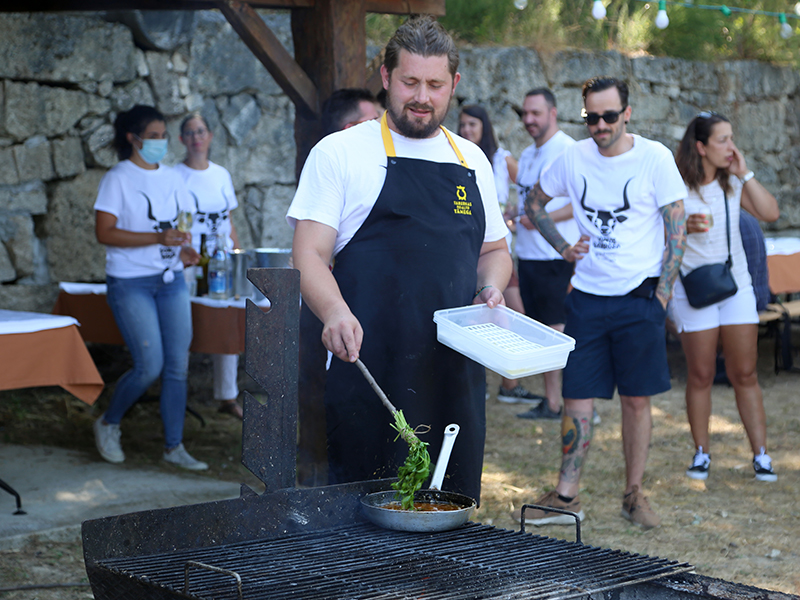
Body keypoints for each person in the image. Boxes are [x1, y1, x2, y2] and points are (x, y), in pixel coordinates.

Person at [287, 16, 511, 502]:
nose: (422, 97)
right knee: (362, 514)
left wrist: (490, 287)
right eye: (410, 82)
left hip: (455, 371)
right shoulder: (341, 153)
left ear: (453, 84)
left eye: (434, 84)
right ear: (386, 78)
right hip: (369, 366)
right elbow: (308, 252)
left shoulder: (472, 160)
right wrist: (334, 311)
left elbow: (494, 250)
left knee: (449, 511)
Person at [519, 77, 687, 529]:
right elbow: (533, 205)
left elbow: (677, 231)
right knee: (577, 398)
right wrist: (562, 246)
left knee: (636, 401)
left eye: (609, 116)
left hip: (639, 298)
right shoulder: (572, 157)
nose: (599, 125)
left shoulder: (654, 158)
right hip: (587, 299)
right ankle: (566, 495)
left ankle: (633, 495)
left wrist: (662, 295)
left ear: (627, 113)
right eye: (590, 117)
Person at [92, 105, 208, 471]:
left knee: (177, 366)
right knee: (149, 366)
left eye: (162, 135)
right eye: (155, 136)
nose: (161, 142)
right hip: (130, 283)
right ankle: (108, 422)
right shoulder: (117, 178)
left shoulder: (172, 177)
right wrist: (158, 236)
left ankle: (174, 447)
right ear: (134, 138)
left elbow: (180, 227)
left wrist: (186, 249)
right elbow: (104, 232)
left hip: (171, 281)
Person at [672, 111, 779, 482]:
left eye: (732, 138)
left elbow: (770, 212)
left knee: (744, 373)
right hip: (692, 289)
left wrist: (745, 173)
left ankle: (761, 455)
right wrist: (682, 226)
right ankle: (701, 453)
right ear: (701, 147)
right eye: (723, 140)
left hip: (736, 289)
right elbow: (654, 231)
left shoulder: (732, 184)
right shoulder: (677, 185)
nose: (731, 147)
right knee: (700, 374)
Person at [297, 88, 381, 485]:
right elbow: (312, 254)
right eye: (372, 121)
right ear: (351, 129)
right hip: (332, 320)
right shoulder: (332, 162)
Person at [458, 104, 541, 405]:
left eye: (473, 124)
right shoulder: (453, 155)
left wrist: (514, 213)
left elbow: (532, 190)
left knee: (510, 310)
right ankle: (503, 383)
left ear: (485, 126)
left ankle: (510, 382)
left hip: (496, 247)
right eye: (463, 124)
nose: (467, 130)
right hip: (468, 248)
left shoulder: (499, 158)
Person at [510, 89, 581, 420]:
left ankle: (567, 402)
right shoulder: (526, 155)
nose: (529, 120)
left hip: (555, 256)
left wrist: (538, 218)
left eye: (536, 113)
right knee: (539, 331)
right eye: (525, 113)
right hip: (528, 255)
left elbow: (576, 203)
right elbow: (526, 199)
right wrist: (516, 212)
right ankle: (551, 401)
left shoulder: (567, 150)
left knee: (556, 332)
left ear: (553, 113)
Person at [176, 112, 243, 420]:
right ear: (181, 139)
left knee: (224, 319)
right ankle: (178, 391)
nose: (196, 137)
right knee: (184, 321)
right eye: (189, 132)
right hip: (189, 258)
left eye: (201, 131)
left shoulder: (221, 174)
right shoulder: (174, 175)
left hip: (221, 259)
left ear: (210, 135)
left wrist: (236, 252)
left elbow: (228, 220)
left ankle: (227, 395)